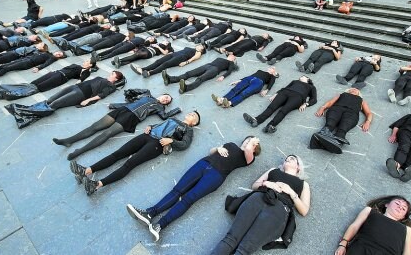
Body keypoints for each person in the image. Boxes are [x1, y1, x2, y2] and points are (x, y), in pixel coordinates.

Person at [127, 137, 261, 242]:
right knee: (177, 190)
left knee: (188, 200)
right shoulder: (231, 144)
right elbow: (211, 151)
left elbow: (249, 150)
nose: (249, 141)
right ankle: (149, 214)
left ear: (255, 149)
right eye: (248, 139)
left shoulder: (248, 158)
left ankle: (160, 226)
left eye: (252, 142)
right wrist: (218, 148)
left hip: (216, 176)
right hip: (204, 163)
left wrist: (254, 141)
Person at [69, 112, 200, 195]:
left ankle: (97, 185)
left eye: (194, 116)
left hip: (157, 145)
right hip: (146, 136)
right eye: (191, 113)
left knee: (129, 164)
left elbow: (185, 144)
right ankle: (86, 171)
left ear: (194, 123)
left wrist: (171, 140)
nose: (190, 114)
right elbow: (160, 124)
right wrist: (151, 126)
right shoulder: (173, 118)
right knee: (117, 154)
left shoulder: (188, 130)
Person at [211, 154, 311, 254]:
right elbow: (255, 185)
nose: (287, 159)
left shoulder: (303, 184)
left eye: (292, 158)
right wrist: (267, 183)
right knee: (230, 239)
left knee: (245, 249)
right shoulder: (274, 170)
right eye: (286, 159)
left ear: (298, 166)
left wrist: (291, 192)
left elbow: (304, 210)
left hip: (279, 209)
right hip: (259, 198)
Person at [55, 89, 180, 160]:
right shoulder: (147, 94)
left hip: (131, 118)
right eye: (165, 96)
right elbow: (130, 94)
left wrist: (176, 110)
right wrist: (121, 100)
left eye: (167, 101)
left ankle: (79, 151)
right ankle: (68, 140)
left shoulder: (160, 108)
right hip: (122, 110)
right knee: (95, 127)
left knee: (107, 133)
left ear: (165, 104)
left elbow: (164, 116)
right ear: (162, 94)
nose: (165, 99)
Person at [5, 71, 126, 129]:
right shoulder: (102, 77)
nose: (110, 75)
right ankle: (27, 110)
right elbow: (89, 81)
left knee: (56, 103)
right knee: (51, 99)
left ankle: (24, 114)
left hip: (81, 94)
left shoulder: (111, 86)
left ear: (115, 79)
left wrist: (87, 101)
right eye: (111, 73)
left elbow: (102, 95)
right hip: (76, 87)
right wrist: (78, 82)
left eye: (112, 75)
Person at [335, 195, 411, 255]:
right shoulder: (369, 211)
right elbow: (354, 226)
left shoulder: (407, 230)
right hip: (361, 249)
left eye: (403, 209)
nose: (399, 207)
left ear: (403, 217)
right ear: (386, 204)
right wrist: (343, 243)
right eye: (397, 203)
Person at [243, 75, 317, 133]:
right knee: (271, 107)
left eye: (302, 76)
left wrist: (306, 104)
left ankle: (270, 127)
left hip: (298, 97)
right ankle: (256, 120)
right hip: (284, 92)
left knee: (284, 111)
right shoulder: (294, 81)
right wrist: (276, 94)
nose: (300, 77)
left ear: (308, 79)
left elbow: (314, 99)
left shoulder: (311, 87)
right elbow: (285, 88)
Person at [0, 60, 96, 101]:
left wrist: (86, 70)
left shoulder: (85, 71)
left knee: (39, 87)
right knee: (33, 83)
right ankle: (6, 91)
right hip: (55, 73)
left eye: (88, 62)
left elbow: (81, 79)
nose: (85, 62)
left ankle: (10, 94)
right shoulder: (76, 65)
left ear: (90, 65)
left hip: (61, 78)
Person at [311, 88, 372, 153]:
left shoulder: (361, 100)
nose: (354, 89)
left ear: (359, 93)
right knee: (330, 123)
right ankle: (322, 134)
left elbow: (368, 113)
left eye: (356, 90)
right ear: (348, 91)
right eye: (352, 89)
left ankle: (338, 139)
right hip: (337, 108)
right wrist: (322, 108)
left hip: (352, 113)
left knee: (344, 127)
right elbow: (330, 102)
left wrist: (368, 122)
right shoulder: (342, 95)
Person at [162, 54, 238, 94]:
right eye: (231, 55)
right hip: (208, 65)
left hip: (215, 69)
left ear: (234, 59)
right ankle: (170, 79)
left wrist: (223, 76)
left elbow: (230, 71)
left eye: (233, 56)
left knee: (201, 78)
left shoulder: (230, 63)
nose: (232, 55)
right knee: (189, 73)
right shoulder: (220, 58)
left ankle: (185, 88)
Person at [212, 67, 278, 108]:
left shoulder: (272, 76)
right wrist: (239, 80)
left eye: (273, 69)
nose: (270, 68)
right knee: (236, 89)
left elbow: (271, 83)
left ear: (274, 72)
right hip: (249, 78)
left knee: (245, 92)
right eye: (270, 67)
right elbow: (251, 75)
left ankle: (229, 103)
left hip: (258, 83)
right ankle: (221, 100)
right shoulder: (260, 71)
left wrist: (266, 90)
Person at [130, 44, 206, 78]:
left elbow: (193, 58)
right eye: (199, 45)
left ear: (202, 50)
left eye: (201, 47)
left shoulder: (198, 52)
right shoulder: (192, 48)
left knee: (166, 64)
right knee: (159, 61)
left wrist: (185, 63)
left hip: (181, 57)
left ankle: (150, 73)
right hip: (175, 54)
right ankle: (142, 69)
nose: (199, 46)